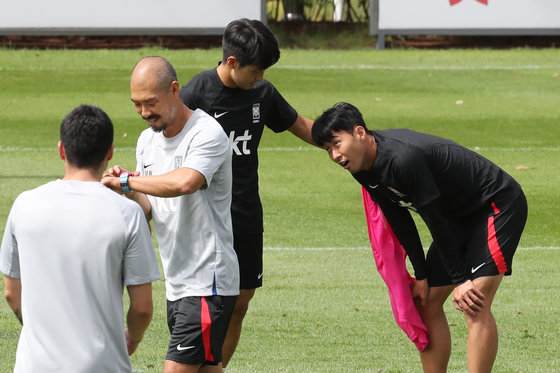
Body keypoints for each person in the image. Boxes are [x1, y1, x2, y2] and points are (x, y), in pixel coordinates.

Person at [311, 102, 528, 373]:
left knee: (474, 302)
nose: (334, 155)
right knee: (426, 302)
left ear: (359, 133)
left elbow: (433, 219)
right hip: (455, 217)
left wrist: (461, 280)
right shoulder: (360, 166)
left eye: (336, 143)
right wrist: (422, 275)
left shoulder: (402, 160)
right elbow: (398, 216)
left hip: (495, 205)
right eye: (327, 149)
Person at [179, 18, 315, 369]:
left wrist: (347, 144)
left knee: (240, 303)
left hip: (245, 214)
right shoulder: (195, 96)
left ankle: (215, 367)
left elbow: (302, 126)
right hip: (205, 218)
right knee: (207, 305)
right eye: (256, 70)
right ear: (232, 63)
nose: (261, 77)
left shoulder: (263, 93)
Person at [102, 56, 239, 373]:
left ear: (174, 90)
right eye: (136, 104)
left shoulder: (206, 134)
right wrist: (128, 191)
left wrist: (127, 180)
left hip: (208, 282)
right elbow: (150, 208)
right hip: (178, 283)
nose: (144, 112)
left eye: (150, 102)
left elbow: (185, 182)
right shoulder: (146, 141)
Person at [0, 104, 160, 373]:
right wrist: (132, 339)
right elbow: (142, 308)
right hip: (103, 365)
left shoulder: (24, 205)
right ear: (109, 152)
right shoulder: (127, 213)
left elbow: (11, 292)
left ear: (62, 149)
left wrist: (43, 336)